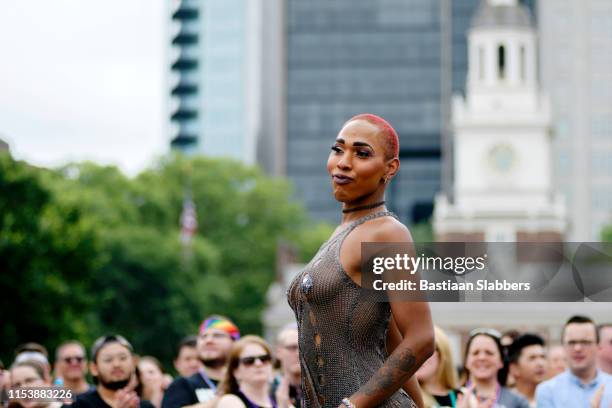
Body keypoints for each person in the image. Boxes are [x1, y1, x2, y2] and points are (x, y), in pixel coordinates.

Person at [287, 113, 434, 407]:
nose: (343, 161)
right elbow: (389, 339)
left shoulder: (387, 233)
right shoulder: (341, 233)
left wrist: (353, 405)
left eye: (362, 153)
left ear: (389, 169)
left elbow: (421, 338)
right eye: (338, 149)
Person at [162, 315, 240, 408]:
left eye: (218, 335)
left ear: (235, 343)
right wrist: (220, 401)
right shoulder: (183, 384)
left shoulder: (245, 383)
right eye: (203, 336)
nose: (209, 340)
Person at [536, 315, 612, 408]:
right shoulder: (547, 391)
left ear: (598, 346)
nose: (578, 348)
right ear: (563, 346)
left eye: (585, 342)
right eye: (571, 342)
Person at [71, 334, 154, 408]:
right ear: (94, 368)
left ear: (134, 363)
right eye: (108, 360)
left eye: (123, 358)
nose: (116, 364)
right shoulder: (77, 405)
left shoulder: (146, 406)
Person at [461, 328, 529, 408]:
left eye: (489, 353)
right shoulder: (451, 397)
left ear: (501, 361)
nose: (482, 357)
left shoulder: (517, 402)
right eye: (475, 353)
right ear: (466, 361)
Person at [416, 326, 474, 408]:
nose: (417, 356)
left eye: (425, 349)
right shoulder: (405, 398)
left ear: (442, 353)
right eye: (413, 350)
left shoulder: (464, 396)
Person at [216, 336, 279, 408]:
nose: (258, 364)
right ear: (236, 371)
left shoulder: (280, 400)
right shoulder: (229, 401)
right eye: (249, 361)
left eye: (264, 359)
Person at [507, 334, 547, 407]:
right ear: (514, 368)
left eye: (543, 357)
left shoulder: (553, 399)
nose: (540, 363)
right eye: (532, 358)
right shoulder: (503, 402)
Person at [272, 323, 301, 408]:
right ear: (278, 352)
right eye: (292, 347)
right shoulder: (267, 392)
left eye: (303, 347)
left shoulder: (321, 391)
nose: (298, 353)